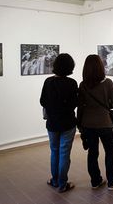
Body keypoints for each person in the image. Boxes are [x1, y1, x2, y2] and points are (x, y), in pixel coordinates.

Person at [78, 54, 113, 191]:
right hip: (105, 123)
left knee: (92, 153)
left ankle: (95, 181)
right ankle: (112, 181)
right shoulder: (108, 83)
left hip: (88, 124)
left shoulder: (82, 85)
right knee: (110, 152)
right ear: (101, 67)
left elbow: (80, 105)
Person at [40, 53, 78, 193]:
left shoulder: (48, 82)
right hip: (67, 123)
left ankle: (55, 180)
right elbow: (75, 103)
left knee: (54, 151)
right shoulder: (72, 83)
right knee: (64, 153)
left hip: (52, 124)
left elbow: (42, 101)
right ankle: (62, 184)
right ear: (70, 67)